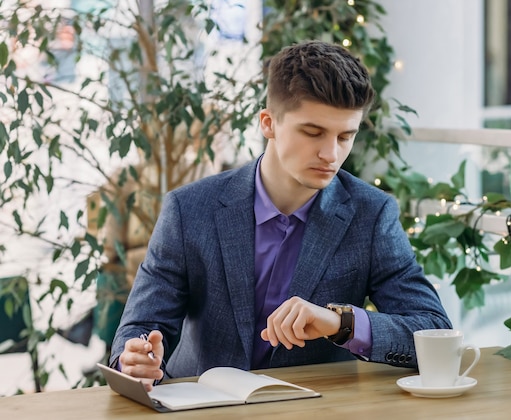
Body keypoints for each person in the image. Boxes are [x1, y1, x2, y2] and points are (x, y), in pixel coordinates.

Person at [109, 40, 451, 389]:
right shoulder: (189, 209)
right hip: (203, 405)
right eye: (313, 132)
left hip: (317, 409)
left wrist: (340, 323)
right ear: (268, 123)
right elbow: (141, 325)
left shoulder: (371, 214)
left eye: (346, 136)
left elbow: (434, 331)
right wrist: (135, 357)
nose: (331, 154)